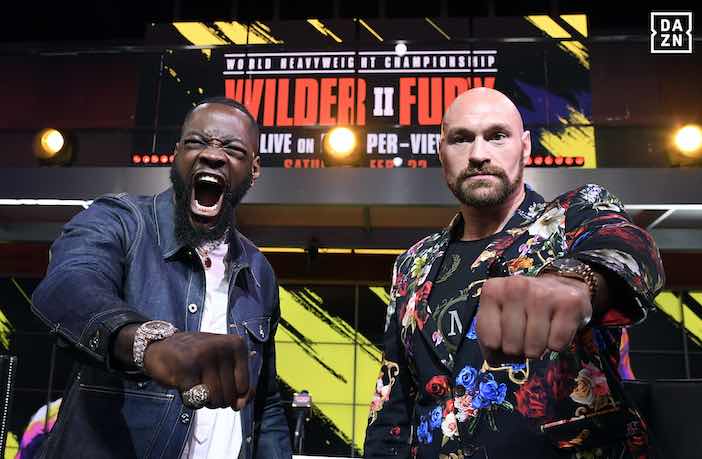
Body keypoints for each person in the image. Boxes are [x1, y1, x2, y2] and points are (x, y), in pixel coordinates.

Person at [364, 88, 665, 459]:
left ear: (524, 147)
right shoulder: (413, 262)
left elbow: (633, 250)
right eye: (461, 139)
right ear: (441, 151)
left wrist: (574, 279)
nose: (478, 154)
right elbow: (392, 404)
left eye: (496, 136)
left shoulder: (572, 216)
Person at [31, 97, 292, 459]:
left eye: (233, 149)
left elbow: (266, 403)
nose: (213, 155)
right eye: (197, 142)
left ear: (254, 169)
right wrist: (143, 343)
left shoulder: (259, 271)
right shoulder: (121, 221)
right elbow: (67, 287)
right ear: (176, 154)